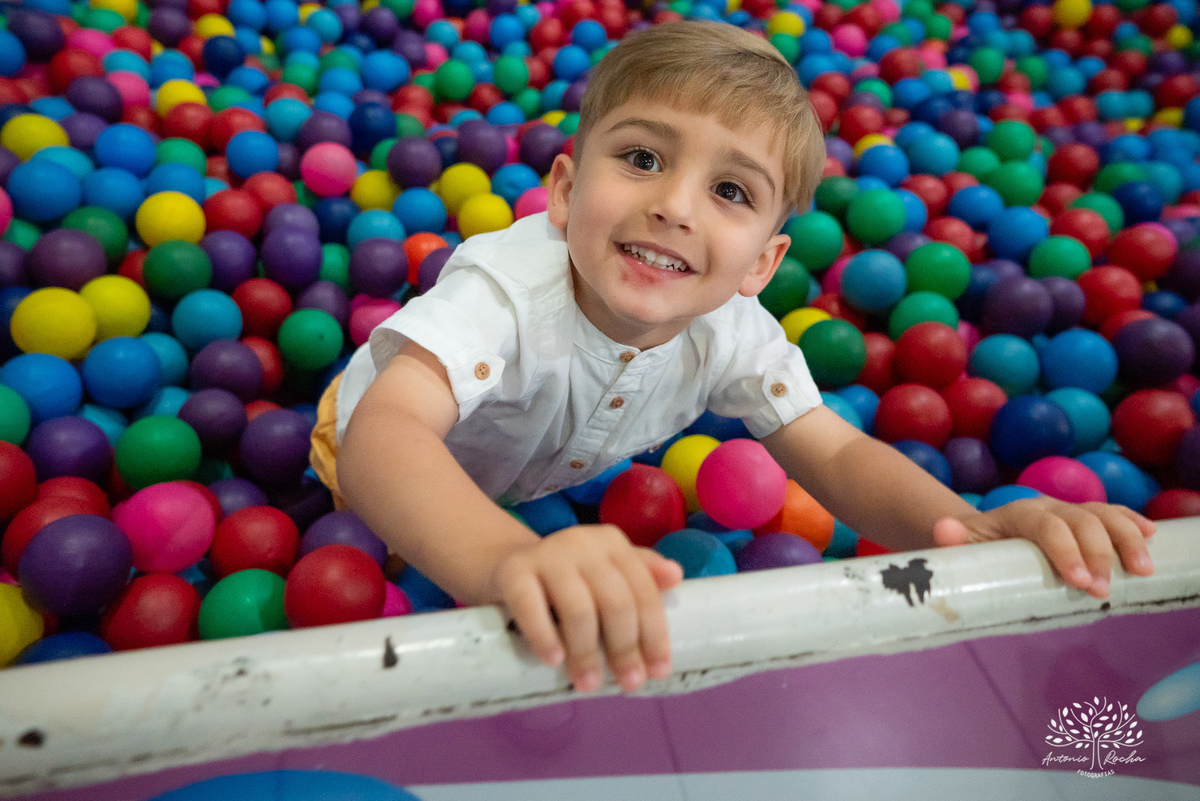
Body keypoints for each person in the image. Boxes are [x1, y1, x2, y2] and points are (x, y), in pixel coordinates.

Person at [311, 20, 1156, 696]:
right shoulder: (505, 290)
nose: (673, 205)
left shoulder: (732, 327)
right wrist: (506, 560)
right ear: (566, 193)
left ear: (761, 264)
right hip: (362, 458)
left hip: (519, 477)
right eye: (641, 158)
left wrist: (968, 529)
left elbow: (833, 448)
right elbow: (384, 436)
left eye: (730, 191)